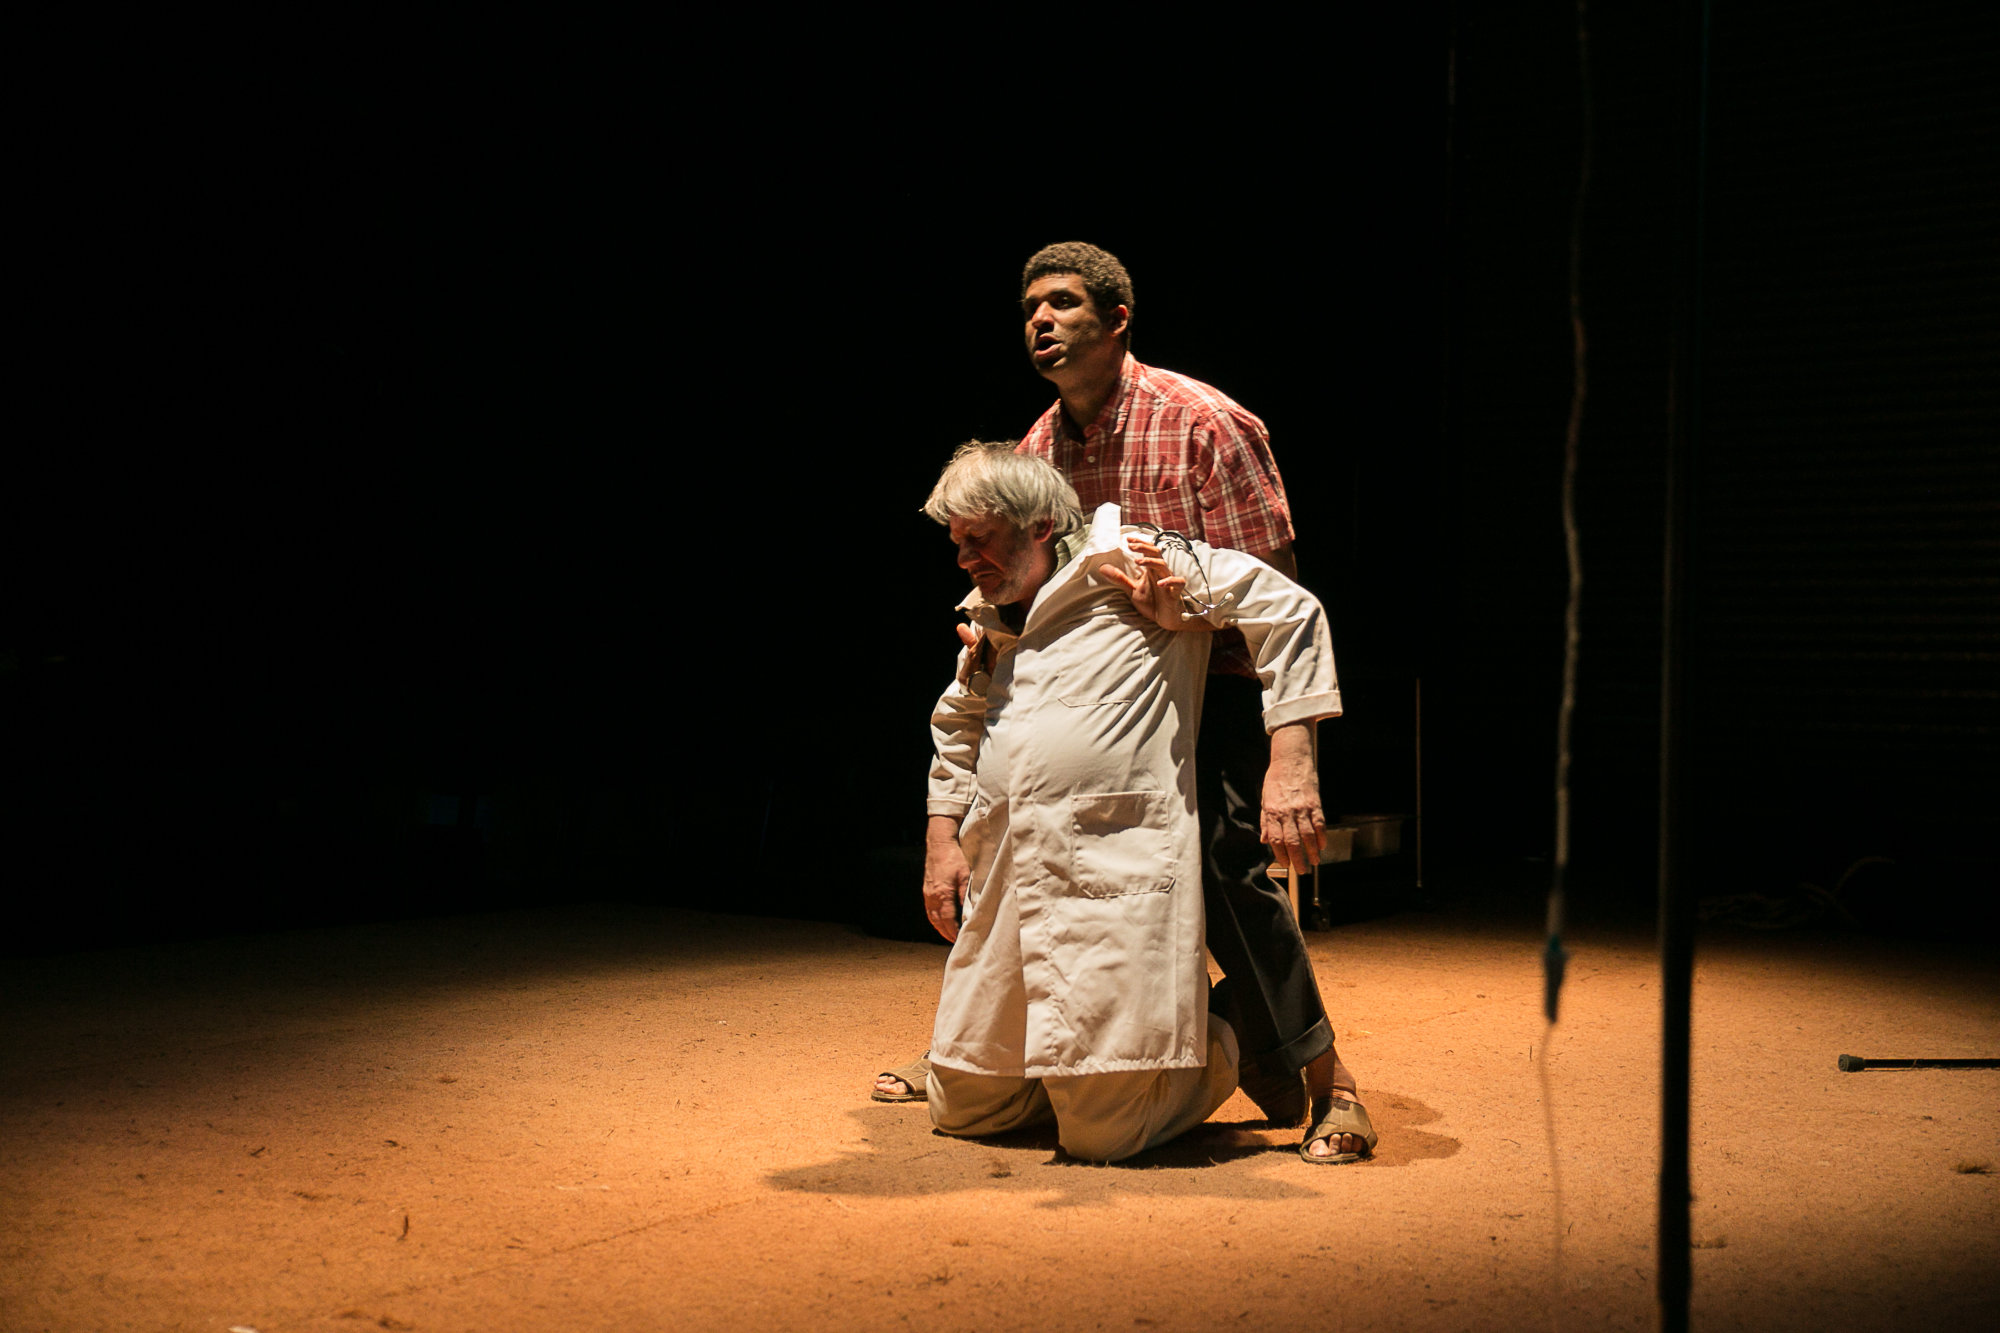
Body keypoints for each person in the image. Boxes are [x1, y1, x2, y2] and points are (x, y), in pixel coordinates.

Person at [880, 242, 1375, 1165]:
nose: (1041, 320)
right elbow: (1019, 585)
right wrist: (996, 631)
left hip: (1212, 678)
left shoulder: (1201, 422)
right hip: (1093, 689)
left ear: (1117, 320)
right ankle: (997, 1056)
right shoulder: (1035, 448)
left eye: (1064, 303)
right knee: (1024, 840)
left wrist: (1266, 721)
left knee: (1223, 865)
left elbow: (1273, 587)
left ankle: (1323, 1077)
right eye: (1030, 307)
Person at [915, 442, 1340, 1163]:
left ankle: (1232, 1026)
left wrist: (1291, 758)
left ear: (1039, 525)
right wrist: (940, 837)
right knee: (963, 1105)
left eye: (977, 539)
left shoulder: (1141, 561)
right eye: (957, 542)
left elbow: (1291, 611)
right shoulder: (992, 615)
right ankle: (1074, 1079)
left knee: (1105, 1133)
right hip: (1012, 880)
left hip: (1111, 876)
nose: (962, 559)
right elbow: (957, 719)